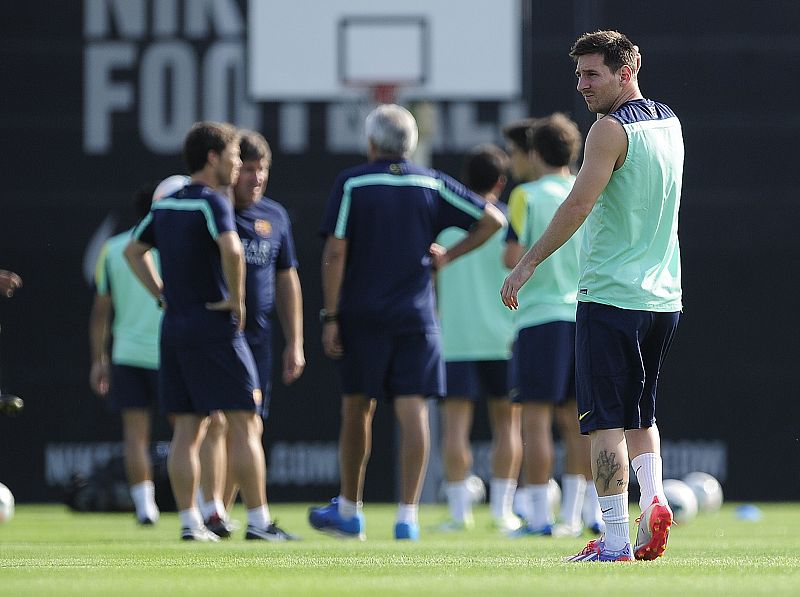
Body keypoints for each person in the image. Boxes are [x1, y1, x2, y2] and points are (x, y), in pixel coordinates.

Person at [501, 30, 682, 562]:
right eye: (579, 74)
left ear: (627, 71)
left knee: (605, 424)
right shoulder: (669, 122)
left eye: (592, 74)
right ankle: (654, 500)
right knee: (641, 417)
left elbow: (579, 204)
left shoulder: (608, 129)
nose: (582, 85)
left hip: (610, 295)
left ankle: (617, 540)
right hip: (663, 296)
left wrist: (528, 263)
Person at [309, 104, 505, 541]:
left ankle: (350, 511)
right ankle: (408, 516)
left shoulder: (354, 182)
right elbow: (493, 219)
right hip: (416, 316)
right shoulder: (430, 182)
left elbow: (335, 251)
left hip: (362, 315)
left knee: (357, 408)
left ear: (371, 142)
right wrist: (448, 256)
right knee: (413, 409)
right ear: (411, 144)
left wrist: (330, 315)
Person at [124, 121, 296, 542]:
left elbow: (134, 251)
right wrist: (237, 300)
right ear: (213, 158)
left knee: (186, 429)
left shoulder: (166, 204)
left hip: (175, 327)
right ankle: (259, 522)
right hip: (214, 328)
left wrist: (161, 295)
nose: (237, 166)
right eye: (234, 157)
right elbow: (233, 249)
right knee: (245, 422)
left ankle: (190, 523)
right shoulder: (212, 201)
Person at [197, 130, 305, 537]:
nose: (256, 178)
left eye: (263, 170)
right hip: (216, 336)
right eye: (248, 169)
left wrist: (295, 341)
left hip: (257, 341)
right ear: (231, 169)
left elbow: (287, 279)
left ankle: (219, 517)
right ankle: (215, 512)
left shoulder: (275, 216)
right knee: (216, 423)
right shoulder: (213, 209)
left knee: (250, 427)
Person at [501, 113, 603, 538]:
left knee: (536, 420)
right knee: (581, 422)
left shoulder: (525, 195)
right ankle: (582, 515)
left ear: (535, 152)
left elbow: (511, 257)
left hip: (540, 319)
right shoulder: (588, 188)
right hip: (583, 316)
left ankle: (542, 518)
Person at [432, 144, 522, 533]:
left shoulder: (447, 230)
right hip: (504, 338)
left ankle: (459, 514)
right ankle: (502, 512)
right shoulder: (509, 225)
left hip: (455, 340)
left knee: (455, 427)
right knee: (507, 425)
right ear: (500, 182)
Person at [88, 177, 187, 525]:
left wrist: (98, 361)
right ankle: (196, 505)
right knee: (188, 433)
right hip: (170, 353)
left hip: (126, 355)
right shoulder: (180, 243)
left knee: (135, 436)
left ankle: (146, 508)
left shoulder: (113, 248)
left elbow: (101, 313)